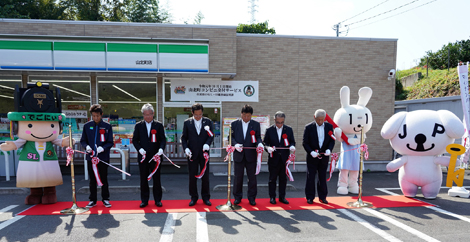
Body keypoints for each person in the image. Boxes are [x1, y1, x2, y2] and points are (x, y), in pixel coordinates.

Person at [80, 104, 114, 208]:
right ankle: (92, 200)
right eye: (94, 116)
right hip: (91, 157)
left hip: (103, 157)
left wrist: (102, 148)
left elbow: (110, 142)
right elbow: (83, 141)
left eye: (98, 116)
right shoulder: (87, 126)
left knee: (104, 178)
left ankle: (105, 199)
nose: (96, 118)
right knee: (92, 179)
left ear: (101, 115)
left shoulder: (107, 126)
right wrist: (87, 147)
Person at [132, 103, 166, 208]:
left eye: (150, 114)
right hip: (143, 157)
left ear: (153, 114)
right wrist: (140, 149)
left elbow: (163, 139)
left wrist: (161, 149)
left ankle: (158, 200)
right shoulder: (138, 125)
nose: (148, 116)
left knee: (157, 179)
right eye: (145, 114)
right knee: (143, 179)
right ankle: (144, 200)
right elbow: (135, 140)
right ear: (143, 114)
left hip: (156, 156)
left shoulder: (158, 125)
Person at [181, 103, 214, 206]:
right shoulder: (187, 123)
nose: (198, 117)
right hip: (192, 153)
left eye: (200, 114)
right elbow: (184, 138)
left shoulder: (208, 121)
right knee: (192, 176)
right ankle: (193, 197)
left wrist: (207, 144)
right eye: (196, 115)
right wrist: (186, 148)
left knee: (205, 177)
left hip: (204, 154)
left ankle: (206, 197)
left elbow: (211, 135)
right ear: (192, 113)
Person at [231, 104, 263, 206]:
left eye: (248, 116)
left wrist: (260, 143)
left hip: (251, 155)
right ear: (241, 114)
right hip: (238, 155)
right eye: (244, 115)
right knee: (237, 178)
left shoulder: (256, 125)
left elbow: (258, 137)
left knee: (252, 178)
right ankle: (237, 197)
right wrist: (235, 144)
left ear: (251, 115)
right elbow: (230, 137)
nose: (246, 118)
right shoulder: (234, 124)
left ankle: (252, 198)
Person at [302, 109, 335, 204]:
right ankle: (309, 197)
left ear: (325, 119)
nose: (320, 121)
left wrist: (329, 149)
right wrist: (311, 151)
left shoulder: (329, 127)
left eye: (322, 119)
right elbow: (305, 142)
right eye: (318, 119)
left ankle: (323, 196)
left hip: (324, 156)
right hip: (312, 156)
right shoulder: (308, 127)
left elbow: (332, 140)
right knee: (310, 177)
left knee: (322, 176)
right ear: (314, 117)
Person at [263, 111, 296, 205]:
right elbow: (265, 143)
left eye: (282, 122)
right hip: (273, 159)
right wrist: (267, 148)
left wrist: (292, 146)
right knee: (272, 179)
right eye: (278, 122)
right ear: (274, 120)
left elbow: (292, 141)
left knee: (283, 179)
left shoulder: (288, 129)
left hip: (284, 159)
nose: (280, 124)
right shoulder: (269, 130)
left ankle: (282, 197)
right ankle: (272, 197)